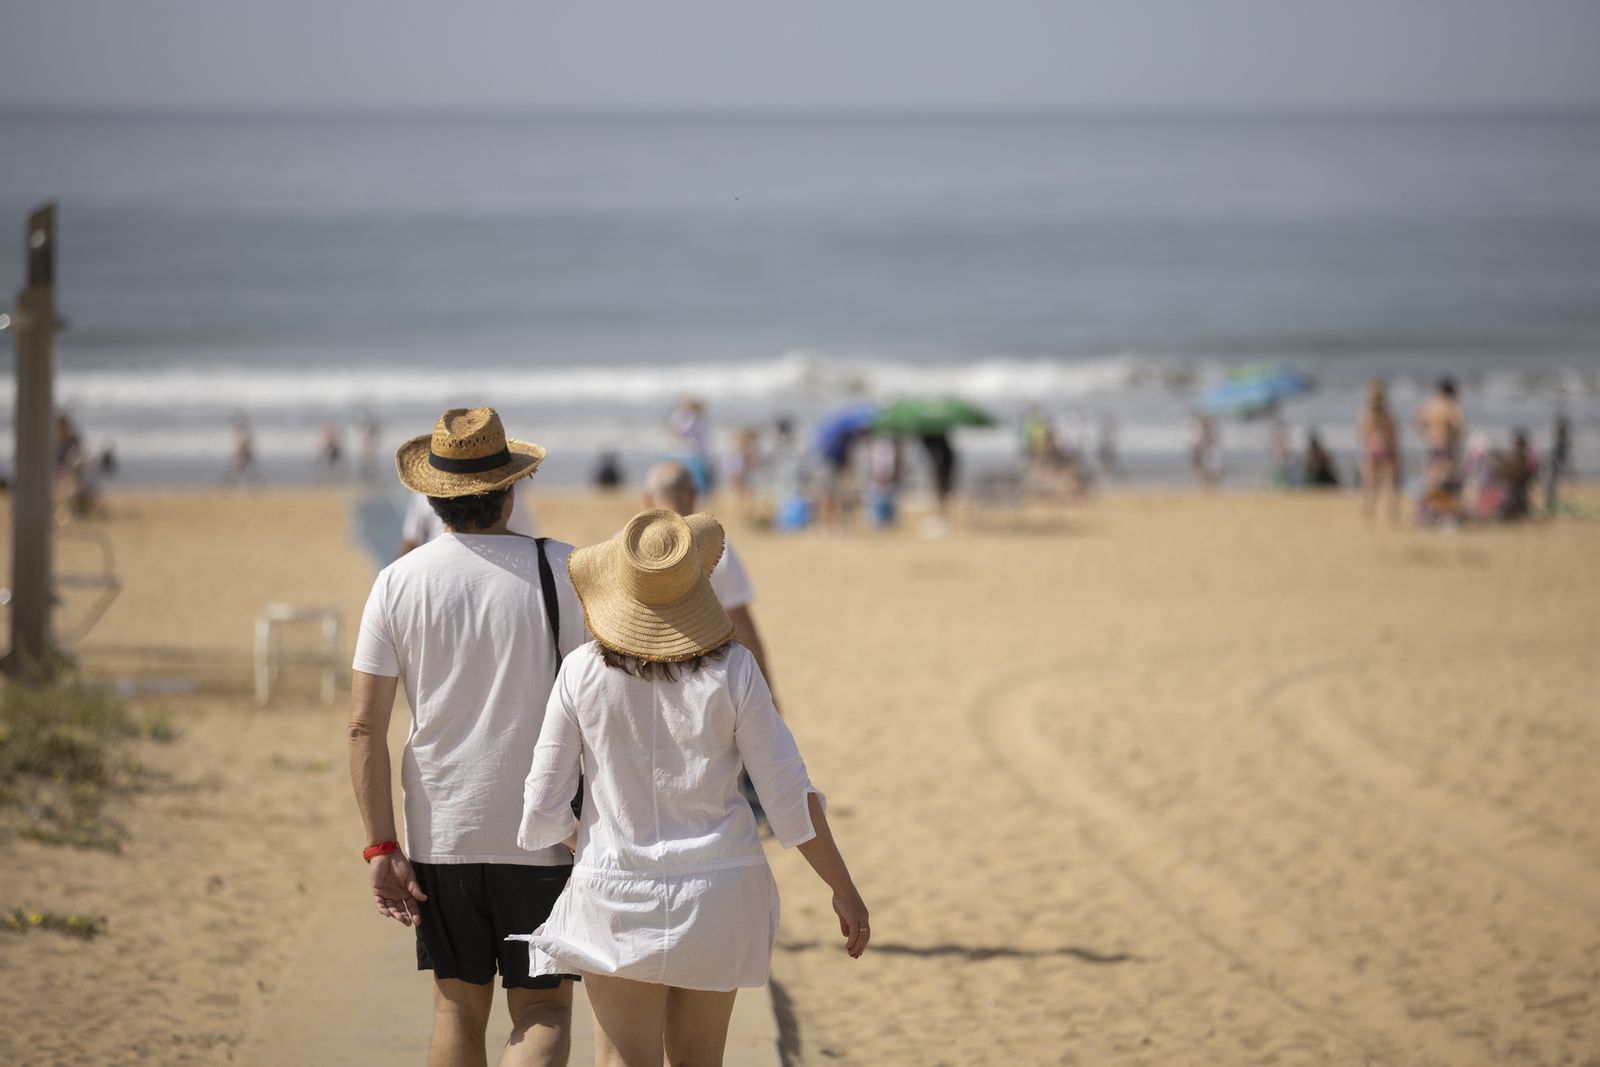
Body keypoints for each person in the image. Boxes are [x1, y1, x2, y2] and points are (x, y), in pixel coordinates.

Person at [512, 510, 869, 1065]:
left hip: (616, 890)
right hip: (718, 891)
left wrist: (591, 846)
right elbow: (789, 795)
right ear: (699, 585)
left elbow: (542, 801)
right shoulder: (735, 669)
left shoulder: (581, 671)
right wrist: (843, 888)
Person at [349, 407, 587, 1067]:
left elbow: (364, 725)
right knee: (543, 1010)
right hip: (547, 829)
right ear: (510, 491)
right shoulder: (566, 570)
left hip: (442, 830)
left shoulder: (397, 582)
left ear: (433, 499)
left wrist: (380, 845)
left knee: (456, 1009)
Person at [643, 461, 777, 700]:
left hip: (645, 683)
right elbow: (743, 626)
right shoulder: (717, 547)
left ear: (648, 499)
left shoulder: (626, 548)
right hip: (705, 685)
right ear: (693, 495)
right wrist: (768, 693)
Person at [399, 480, 538, 556]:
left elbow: (411, 539)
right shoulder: (547, 564)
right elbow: (526, 538)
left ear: (434, 501)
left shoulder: (395, 578)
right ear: (510, 496)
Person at [1358, 379, 1401, 524]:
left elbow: (1362, 434)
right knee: (1389, 486)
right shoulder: (1387, 417)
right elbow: (1394, 436)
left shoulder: (1366, 415)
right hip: (1386, 449)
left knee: (1369, 486)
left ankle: (1368, 515)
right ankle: (1393, 516)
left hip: (1371, 450)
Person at [1415, 377, 1466, 496]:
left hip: (1431, 445)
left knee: (1431, 477)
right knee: (1446, 476)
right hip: (1445, 446)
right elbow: (1459, 426)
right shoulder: (1450, 406)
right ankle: (1442, 501)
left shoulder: (1430, 404)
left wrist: (1427, 432)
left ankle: (1430, 501)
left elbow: (1418, 421)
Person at [1545, 412, 1571, 517]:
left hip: (1555, 464)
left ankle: (1551, 505)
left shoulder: (1561, 440)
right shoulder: (1563, 440)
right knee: (1552, 486)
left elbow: (1560, 456)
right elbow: (1563, 456)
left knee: (1551, 485)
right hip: (1556, 464)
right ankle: (1551, 505)